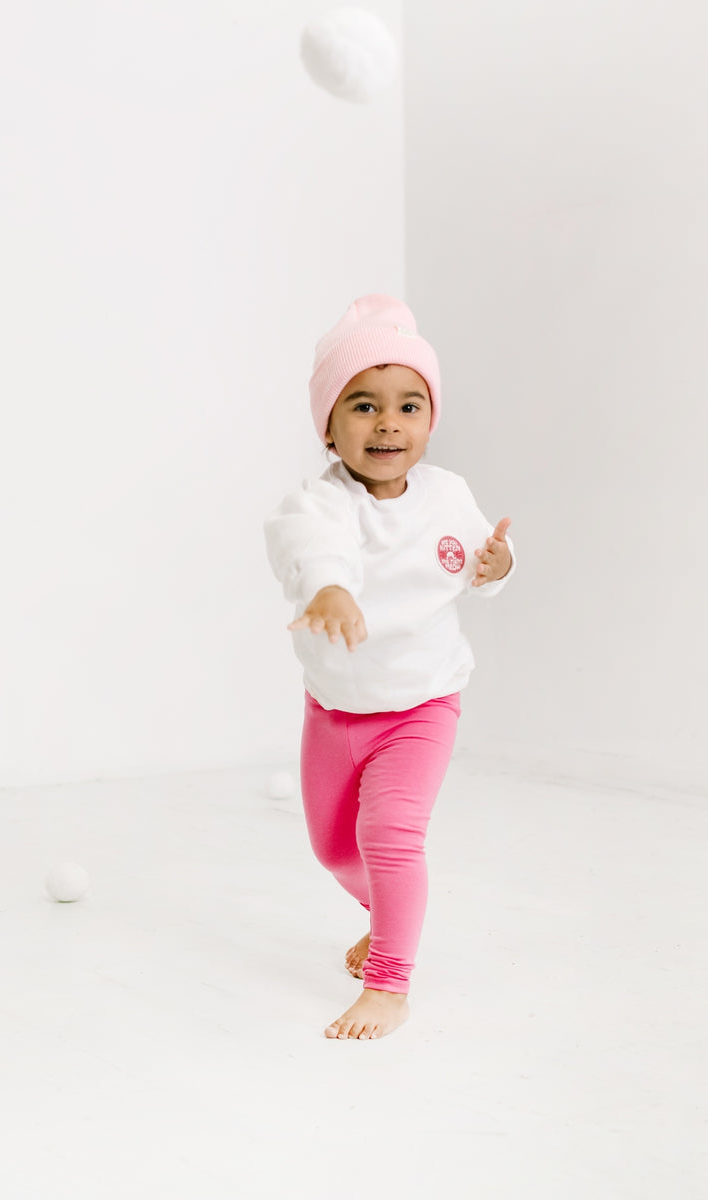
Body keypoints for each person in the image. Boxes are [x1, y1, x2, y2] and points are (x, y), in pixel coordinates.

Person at [264, 295, 516, 1041]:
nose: (388, 424)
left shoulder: (448, 495)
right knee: (334, 847)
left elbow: (477, 561)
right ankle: (388, 916)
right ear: (330, 426)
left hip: (422, 705)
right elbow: (310, 549)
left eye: (409, 406)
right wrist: (330, 588)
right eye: (364, 407)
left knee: (391, 837)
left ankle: (390, 984)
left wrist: (498, 566)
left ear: (429, 422)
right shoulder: (319, 504)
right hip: (335, 707)